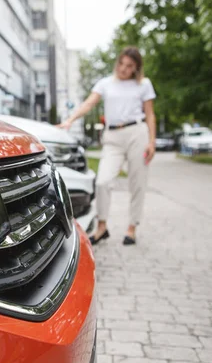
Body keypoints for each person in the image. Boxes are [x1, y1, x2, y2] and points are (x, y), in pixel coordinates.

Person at [58, 46, 156, 245]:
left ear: (136, 68)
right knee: (103, 181)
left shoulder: (143, 84)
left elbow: (150, 114)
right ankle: (101, 227)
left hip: (137, 133)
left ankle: (132, 227)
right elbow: (88, 103)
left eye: (129, 66)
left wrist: (152, 142)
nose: (123, 68)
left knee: (137, 182)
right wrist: (70, 120)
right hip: (112, 136)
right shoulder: (105, 83)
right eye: (121, 63)